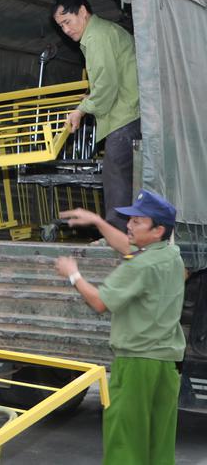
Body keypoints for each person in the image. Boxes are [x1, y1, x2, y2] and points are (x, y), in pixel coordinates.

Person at [54, 190, 184, 465]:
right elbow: (129, 247)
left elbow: (100, 302)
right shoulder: (171, 254)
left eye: (137, 222)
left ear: (158, 230)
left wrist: (73, 274)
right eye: (130, 220)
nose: (129, 226)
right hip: (165, 364)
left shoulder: (139, 266)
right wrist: (99, 222)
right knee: (158, 446)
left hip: (135, 364)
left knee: (124, 442)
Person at [53, 0, 141, 233]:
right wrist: (91, 98)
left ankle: (116, 234)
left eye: (67, 21)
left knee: (116, 174)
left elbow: (106, 86)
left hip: (125, 116)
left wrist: (82, 109)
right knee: (130, 177)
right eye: (60, 26)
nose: (65, 30)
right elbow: (112, 79)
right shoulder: (104, 32)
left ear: (83, 11)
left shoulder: (96, 37)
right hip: (132, 112)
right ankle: (132, 232)